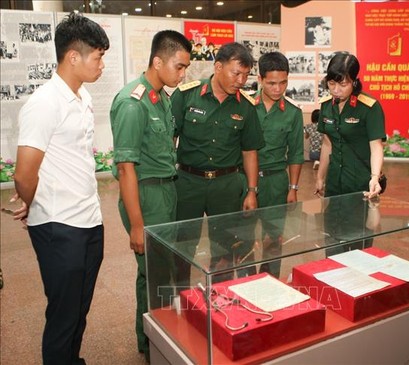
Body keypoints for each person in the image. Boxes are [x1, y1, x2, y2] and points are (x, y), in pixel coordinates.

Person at [13, 12, 109, 365]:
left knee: (79, 308)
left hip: (88, 220)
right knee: (62, 314)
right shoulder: (44, 102)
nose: (101, 65)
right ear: (74, 57)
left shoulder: (81, 98)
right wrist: (34, 202)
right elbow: (24, 174)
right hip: (59, 226)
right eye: (97, 57)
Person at [109, 30, 191, 361]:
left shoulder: (162, 97)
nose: (183, 74)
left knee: (163, 270)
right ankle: (151, 342)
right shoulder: (132, 103)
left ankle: (164, 331)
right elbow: (126, 169)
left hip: (167, 191)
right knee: (153, 274)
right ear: (157, 61)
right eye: (179, 66)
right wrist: (137, 225)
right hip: (147, 196)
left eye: (186, 67)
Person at [171, 42, 265, 283]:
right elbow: (169, 140)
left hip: (226, 185)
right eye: (236, 73)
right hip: (188, 183)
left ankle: (220, 296)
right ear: (218, 66)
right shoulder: (186, 95)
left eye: (246, 74)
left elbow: (250, 151)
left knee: (225, 247)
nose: (241, 80)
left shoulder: (246, 106)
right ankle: (180, 297)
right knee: (183, 244)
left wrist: (252, 191)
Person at [240, 51, 304, 278]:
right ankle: (246, 285)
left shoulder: (293, 113)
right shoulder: (245, 105)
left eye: (283, 83)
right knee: (243, 239)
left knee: (274, 241)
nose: (278, 89)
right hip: (245, 180)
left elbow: (296, 153)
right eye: (272, 83)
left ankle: (269, 285)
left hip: (276, 182)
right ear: (260, 80)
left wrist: (293, 188)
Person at [315, 51, 385, 199]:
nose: (335, 90)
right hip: (334, 181)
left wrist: (374, 177)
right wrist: (320, 177)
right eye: (331, 83)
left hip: (360, 182)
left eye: (343, 84)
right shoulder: (326, 105)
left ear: (354, 81)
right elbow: (327, 144)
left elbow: (376, 146)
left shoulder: (369, 107)